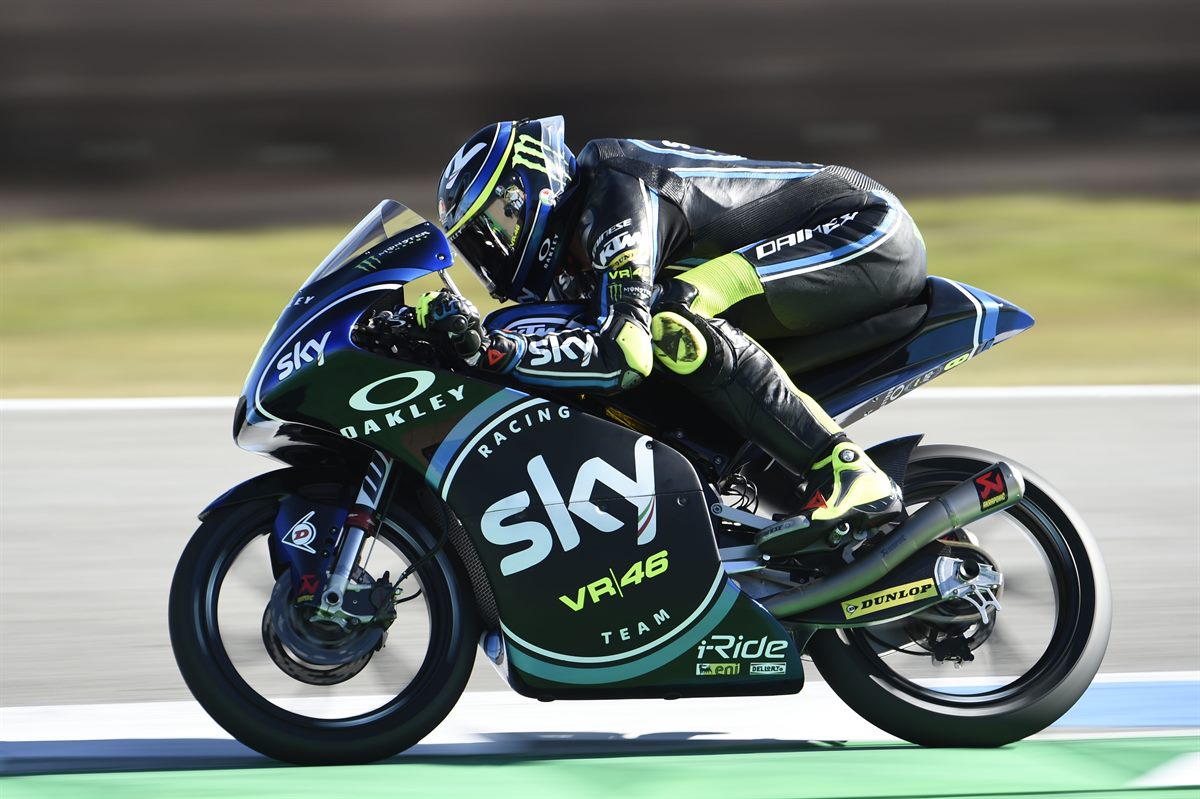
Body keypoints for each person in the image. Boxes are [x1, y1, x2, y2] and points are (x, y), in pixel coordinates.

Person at [415, 115, 927, 555]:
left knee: (670, 320)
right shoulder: (569, 264)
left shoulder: (613, 190)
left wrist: (503, 352)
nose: (492, 250)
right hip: (806, 262)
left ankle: (851, 473)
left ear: (533, 190)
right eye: (477, 244)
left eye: (496, 225)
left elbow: (626, 354)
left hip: (861, 227)